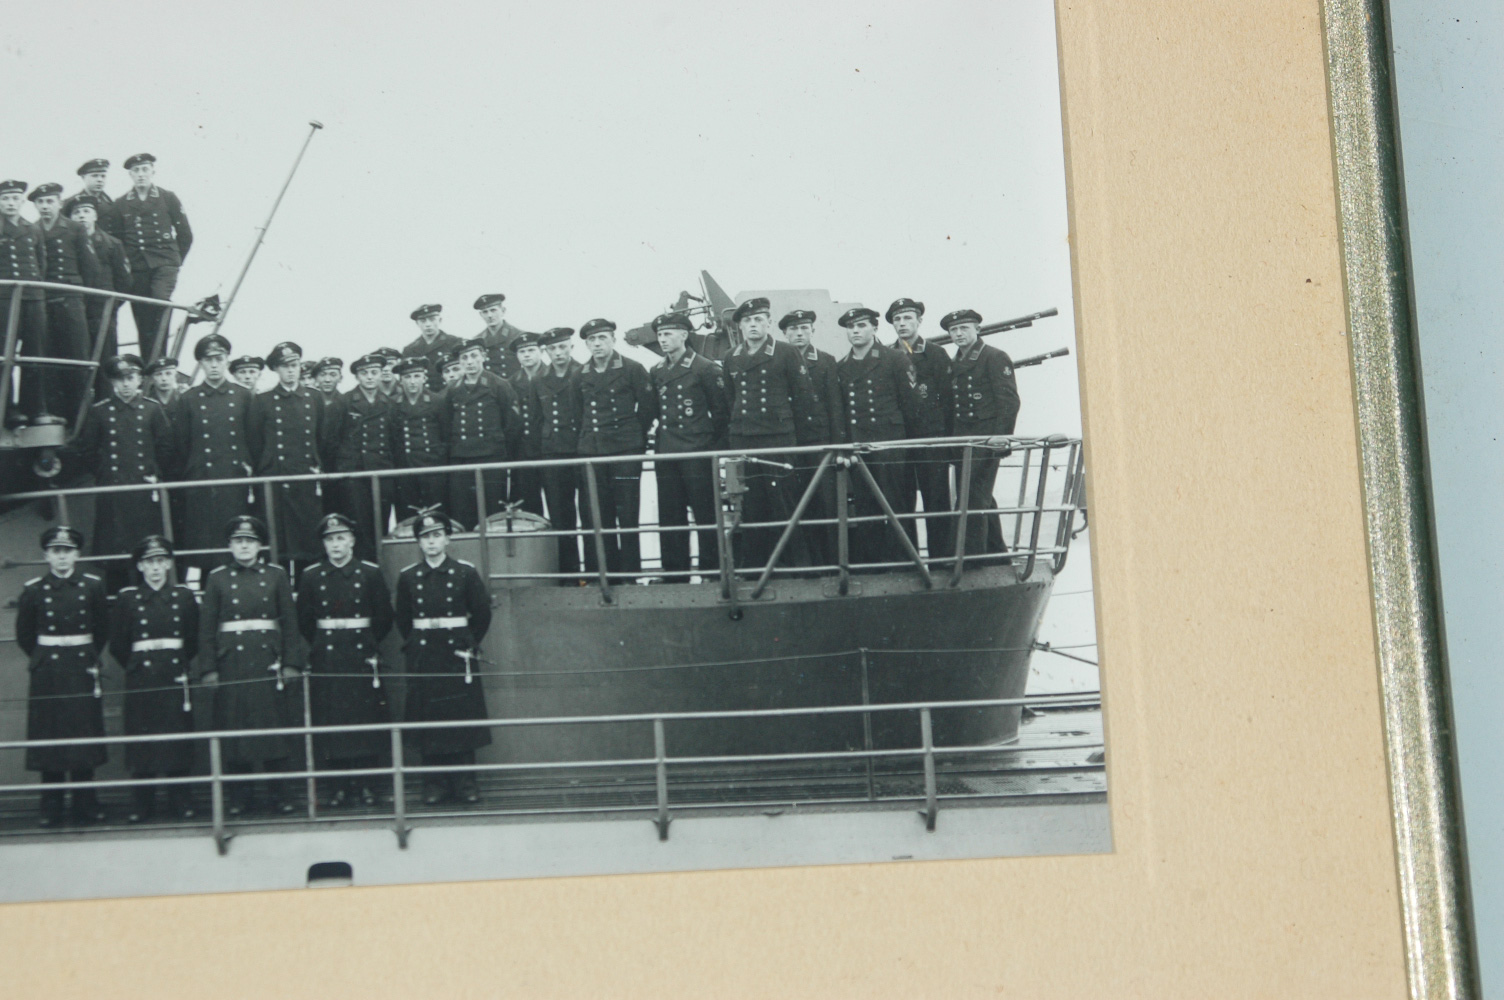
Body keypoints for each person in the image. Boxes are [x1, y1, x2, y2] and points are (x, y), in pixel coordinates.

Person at [196, 515, 304, 816]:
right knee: (235, 732)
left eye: (250, 541)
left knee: (274, 732)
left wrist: (292, 663)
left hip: (267, 662)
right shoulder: (216, 578)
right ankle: (239, 798)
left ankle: (280, 795)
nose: (244, 546)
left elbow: (290, 624)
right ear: (230, 545)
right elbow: (206, 629)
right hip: (232, 665)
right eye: (238, 541)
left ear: (260, 545)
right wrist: (209, 669)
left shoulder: (276, 575)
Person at [393, 509, 493, 805]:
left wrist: (469, 643)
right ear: (419, 543)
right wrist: (416, 645)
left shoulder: (465, 572)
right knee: (430, 720)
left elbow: (483, 613)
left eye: (437, 535)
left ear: (448, 538)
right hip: (425, 656)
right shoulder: (408, 577)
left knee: (461, 719)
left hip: (457, 655)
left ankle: (466, 785)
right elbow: (403, 618)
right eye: (425, 537)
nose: (432, 542)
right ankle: (433, 785)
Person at [14, 526, 110, 827]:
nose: (62, 558)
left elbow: (102, 630)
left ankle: (85, 801)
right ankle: (51, 804)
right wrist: (45, 658)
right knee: (49, 736)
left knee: (83, 734)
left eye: (68, 551)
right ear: (47, 555)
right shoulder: (34, 590)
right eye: (56, 552)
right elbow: (25, 635)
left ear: (77, 554)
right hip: (49, 673)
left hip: (81, 667)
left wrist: (85, 654)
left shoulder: (92, 587)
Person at [296, 513, 393, 808]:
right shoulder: (311, 576)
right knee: (332, 721)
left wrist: (367, 642)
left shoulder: (370, 573)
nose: (335, 545)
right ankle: (338, 786)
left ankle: (367, 785)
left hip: (361, 654)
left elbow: (384, 618)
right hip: (328, 656)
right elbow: (305, 621)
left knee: (365, 720)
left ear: (351, 540)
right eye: (329, 539)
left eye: (340, 538)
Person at [722, 297, 819, 569]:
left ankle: (798, 566)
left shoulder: (786, 352)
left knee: (784, 502)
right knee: (752, 505)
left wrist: (795, 441)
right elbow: (731, 400)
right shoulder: (732, 357)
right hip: (745, 440)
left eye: (758, 320)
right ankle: (755, 568)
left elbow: (804, 398)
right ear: (740, 326)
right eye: (747, 321)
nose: (753, 325)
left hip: (778, 438)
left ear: (768, 323)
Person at [62, 355, 173, 589]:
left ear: (140, 380)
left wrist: (153, 471)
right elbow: (89, 451)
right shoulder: (100, 412)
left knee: (147, 549)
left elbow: (165, 447)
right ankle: (117, 603)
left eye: (130, 378)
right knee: (114, 555)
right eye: (119, 379)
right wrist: (105, 474)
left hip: (144, 490)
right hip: (112, 490)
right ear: (113, 382)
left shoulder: (152, 410)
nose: (125, 384)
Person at [108, 535, 198, 822]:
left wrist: (176, 663)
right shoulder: (127, 599)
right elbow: (118, 645)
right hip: (141, 679)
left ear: (169, 563)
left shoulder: (183, 597)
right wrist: (138, 665)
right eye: (149, 562)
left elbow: (192, 641)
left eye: (160, 561)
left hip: (173, 676)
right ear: (140, 566)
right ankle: (142, 804)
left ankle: (180, 801)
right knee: (142, 741)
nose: (155, 568)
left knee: (177, 740)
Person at [835, 306, 920, 566]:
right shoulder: (842, 367)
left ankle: (904, 561)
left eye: (862, 325)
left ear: (874, 328)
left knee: (897, 503)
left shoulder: (894, 359)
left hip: (890, 443)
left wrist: (909, 447)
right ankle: (872, 564)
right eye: (851, 327)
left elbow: (911, 405)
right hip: (859, 446)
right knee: (866, 505)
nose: (856, 331)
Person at [648, 312, 730, 579]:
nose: (663, 339)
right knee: (670, 515)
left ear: (684, 336)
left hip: (697, 451)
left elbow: (721, 413)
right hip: (667, 452)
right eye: (660, 334)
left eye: (668, 334)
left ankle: (712, 570)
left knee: (705, 513)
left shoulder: (705, 368)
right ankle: (674, 572)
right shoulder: (657, 370)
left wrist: (709, 447)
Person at [575, 318, 656, 578]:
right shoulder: (581, 374)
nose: (597, 344)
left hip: (625, 450)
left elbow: (648, 407)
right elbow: (577, 411)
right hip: (593, 450)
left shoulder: (632, 368)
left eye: (602, 338)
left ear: (613, 339)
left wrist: (633, 435)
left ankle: (630, 573)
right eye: (591, 340)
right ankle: (604, 572)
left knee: (628, 512)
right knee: (599, 514)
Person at [168, 334, 255, 572]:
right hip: (202, 481)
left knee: (239, 539)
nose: (214, 365)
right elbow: (182, 444)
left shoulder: (243, 396)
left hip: (234, 480)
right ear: (201, 363)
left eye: (219, 358)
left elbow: (253, 439)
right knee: (207, 547)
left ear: (227, 360)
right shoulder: (189, 399)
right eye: (208, 360)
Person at [941, 309, 1020, 562]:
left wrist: (1001, 438)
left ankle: (969, 559)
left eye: (964, 328)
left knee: (972, 497)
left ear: (978, 329)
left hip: (987, 440)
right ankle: (997, 555)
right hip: (964, 441)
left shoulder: (994, 357)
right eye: (954, 330)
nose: (959, 334)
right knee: (980, 495)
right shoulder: (954, 363)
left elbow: (1009, 401)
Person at [247, 341, 328, 569]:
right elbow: (255, 443)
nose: (291, 370)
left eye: (294, 365)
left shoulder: (313, 398)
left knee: (307, 543)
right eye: (285, 366)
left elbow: (321, 438)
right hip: (277, 479)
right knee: (278, 545)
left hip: (305, 478)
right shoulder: (263, 401)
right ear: (276, 370)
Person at [887, 298, 953, 555]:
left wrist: (947, 442)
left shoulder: (935, 354)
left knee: (936, 499)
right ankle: (908, 558)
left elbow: (948, 401)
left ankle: (943, 558)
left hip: (930, 439)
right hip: (901, 439)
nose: (902, 324)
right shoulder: (888, 354)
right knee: (902, 502)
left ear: (918, 321)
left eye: (907, 318)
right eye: (897, 320)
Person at [31, 182, 101, 419]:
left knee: (78, 358)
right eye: (40, 202)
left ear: (59, 203)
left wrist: (86, 303)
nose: (45, 206)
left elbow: (90, 269)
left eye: (50, 201)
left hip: (70, 299)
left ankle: (80, 418)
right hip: (44, 302)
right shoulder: (31, 230)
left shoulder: (74, 229)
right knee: (47, 359)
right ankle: (54, 413)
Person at [780, 309, 843, 568]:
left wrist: (838, 445)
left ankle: (832, 562)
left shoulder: (826, 362)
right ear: (784, 333)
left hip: (820, 443)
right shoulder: (779, 361)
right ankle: (805, 563)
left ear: (812, 331)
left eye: (804, 328)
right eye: (793, 329)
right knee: (796, 504)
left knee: (826, 503)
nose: (798, 333)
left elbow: (835, 406)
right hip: (791, 442)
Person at [115, 153, 192, 363]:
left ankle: (160, 363)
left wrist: (174, 262)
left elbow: (185, 235)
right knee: (142, 315)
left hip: (164, 263)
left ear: (152, 172)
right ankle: (148, 366)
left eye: (145, 169)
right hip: (137, 266)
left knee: (160, 303)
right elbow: (117, 240)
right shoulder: (121, 203)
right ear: (130, 174)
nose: (141, 175)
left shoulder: (168, 198)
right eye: (136, 171)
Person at [441, 337, 519, 529]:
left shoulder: (499, 385)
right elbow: (446, 423)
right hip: (462, 458)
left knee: (493, 512)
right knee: (463, 511)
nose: (469, 361)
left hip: (491, 457)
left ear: (483, 356)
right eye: (464, 357)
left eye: (474, 356)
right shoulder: (453, 389)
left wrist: (498, 448)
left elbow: (512, 424)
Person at [330, 353, 398, 562]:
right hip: (354, 473)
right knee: (358, 524)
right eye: (364, 373)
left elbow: (393, 440)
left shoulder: (389, 403)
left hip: (381, 470)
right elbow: (332, 439)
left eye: (374, 372)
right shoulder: (344, 402)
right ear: (357, 377)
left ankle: (378, 568)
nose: (370, 377)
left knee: (381, 523)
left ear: (381, 375)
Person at [529, 327, 585, 580]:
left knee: (589, 512)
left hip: (582, 450)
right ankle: (568, 573)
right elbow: (535, 419)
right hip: (552, 452)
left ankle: (594, 571)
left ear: (571, 347)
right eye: (552, 348)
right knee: (560, 515)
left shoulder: (583, 373)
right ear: (546, 352)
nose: (558, 352)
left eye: (563, 347)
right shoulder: (539, 380)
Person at [0, 178, 49, 426]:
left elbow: (41, 264)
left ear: (21, 201)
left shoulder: (32, 229)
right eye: (5, 198)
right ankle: (8, 410)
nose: (10, 203)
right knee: (4, 355)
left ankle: (35, 409)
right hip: (4, 301)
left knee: (35, 354)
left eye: (15, 198)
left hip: (33, 298)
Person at [67, 195, 131, 381]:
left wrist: (112, 305)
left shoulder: (112, 244)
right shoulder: (69, 244)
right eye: (76, 212)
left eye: (86, 211)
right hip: (77, 309)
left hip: (103, 310)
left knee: (106, 357)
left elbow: (124, 280)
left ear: (95, 215)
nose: (81, 216)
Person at [391, 357, 449, 520]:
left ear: (424, 378)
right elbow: (393, 438)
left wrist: (439, 457)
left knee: (437, 513)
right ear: (400, 381)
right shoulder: (393, 404)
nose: (412, 381)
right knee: (408, 514)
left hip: (432, 466)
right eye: (407, 377)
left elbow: (446, 434)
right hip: (406, 467)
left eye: (416, 376)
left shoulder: (437, 401)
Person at [508, 331, 547, 516]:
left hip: (550, 448)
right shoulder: (511, 383)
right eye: (522, 352)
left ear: (541, 351)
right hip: (523, 451)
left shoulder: (552, 375)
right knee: (529, 506)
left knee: (559, 502)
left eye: (531, 350)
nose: (527, 355)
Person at [400, 304, 462, 392]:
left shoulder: (454, 343)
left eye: (432, 319)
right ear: (417, 323)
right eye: (423, 321)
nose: (428, 324)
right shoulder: (410, 350)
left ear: (440, 320)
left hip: (451, 394)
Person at [473, 292, 529, 382]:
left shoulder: (518, 335)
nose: (489, 315)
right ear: (481, 315)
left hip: (514, 386)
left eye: (493, 310)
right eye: (485, 312)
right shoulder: (478, 340)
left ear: (503, 311)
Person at [62, 159, 119, 235]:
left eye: (103, 176)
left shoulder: (112, 204)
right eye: (95, 176)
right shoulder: (69, 203)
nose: (100, 180)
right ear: (83, 177)